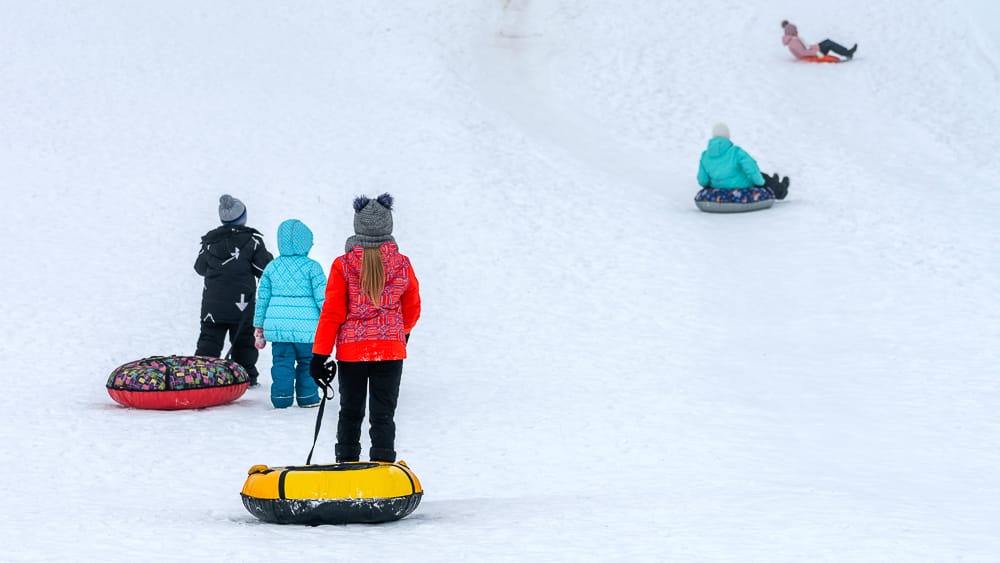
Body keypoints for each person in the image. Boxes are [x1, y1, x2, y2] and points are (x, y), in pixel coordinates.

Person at [310, 193, 421, 464]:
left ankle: (347, 464)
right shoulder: (402, 263)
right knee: (383, 414)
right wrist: (400, 334)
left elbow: (332, 312)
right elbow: (413, 307)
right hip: (391, 351)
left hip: (352, 352)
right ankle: (383, 468)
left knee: (350, 411)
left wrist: (320, 355)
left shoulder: (343, 264)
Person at [194, 194, 273, 387]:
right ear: (243, 218)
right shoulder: (252, 241)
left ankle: (202, 374)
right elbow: (265, 268)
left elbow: (200, 268)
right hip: (242, 305)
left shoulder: (209, 241)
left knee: (209, 340)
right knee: (244, 341)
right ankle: (247, 375)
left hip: (213, 306)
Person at [252, 219, 327, 408]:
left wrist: (259, 326)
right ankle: (308, 397)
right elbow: (323, 299)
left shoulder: (272, 267)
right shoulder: (313, 267)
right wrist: (330, 322)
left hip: (279, 329)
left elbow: (262, 300)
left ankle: (281, 398)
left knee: (282, 363)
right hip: (307, 329)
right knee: (307, 362)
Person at [697, 122, 788, 200]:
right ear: (727, 136)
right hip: (741, 185)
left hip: (718, 186)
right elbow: (751, 168)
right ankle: (781, 190)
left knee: (762, 178)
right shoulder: (735, 151)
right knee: (763, 177)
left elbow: (702, 180)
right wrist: (760, 182)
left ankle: (774, 181)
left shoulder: (705, 156)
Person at [781, 20, 857, 60]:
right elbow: (803, 53)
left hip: (812, 50)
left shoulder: (792, 39)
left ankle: (847, 52)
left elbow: (805, 48)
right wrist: (816, 52)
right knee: (829, 43)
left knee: (827, 41)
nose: (797, 31)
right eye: (795, 30)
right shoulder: (793, 41)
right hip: (812, 54)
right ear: (791, 32)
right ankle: (847, 53)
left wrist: (814, 47)